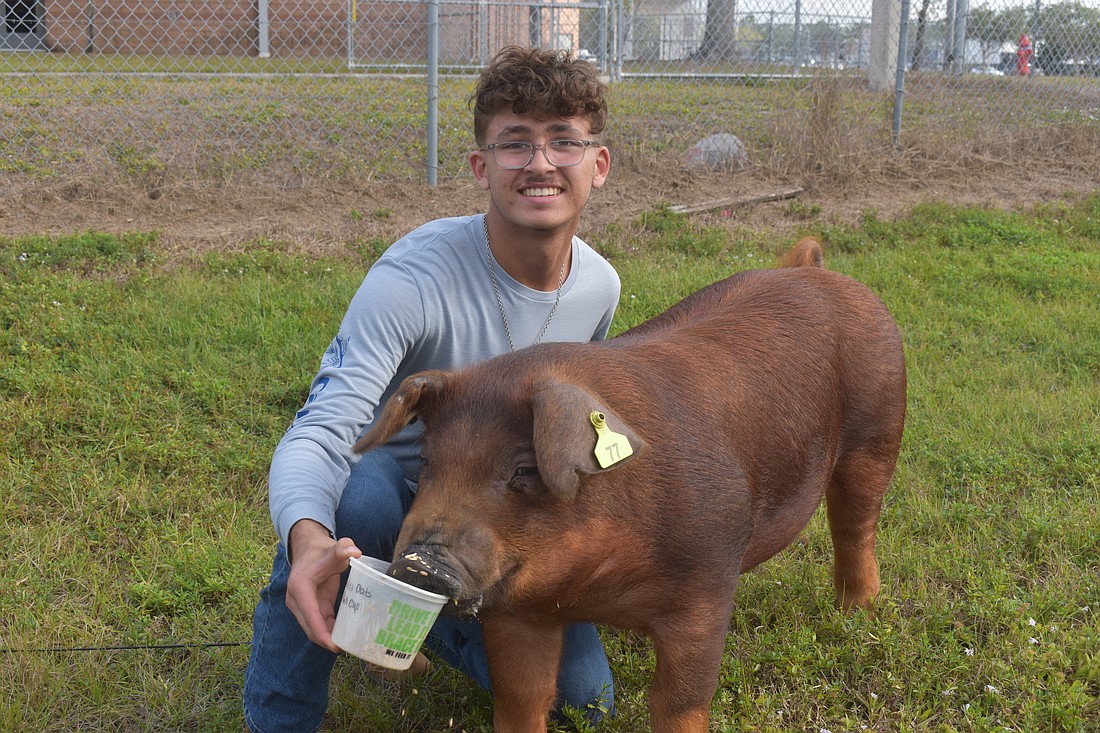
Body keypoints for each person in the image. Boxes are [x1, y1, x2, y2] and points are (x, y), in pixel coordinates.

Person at [243, 45, 620, 733]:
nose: (540, 162)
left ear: (599, 164)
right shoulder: (412, 280)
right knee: (348, 501)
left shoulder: (600, 286)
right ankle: (284, 706)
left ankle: (421, 614)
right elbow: (325, 429)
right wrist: (306, 542)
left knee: (583, 702)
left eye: (564, 140)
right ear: (481, 167)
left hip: (502, 499)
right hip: (398, 484)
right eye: (515, 143)